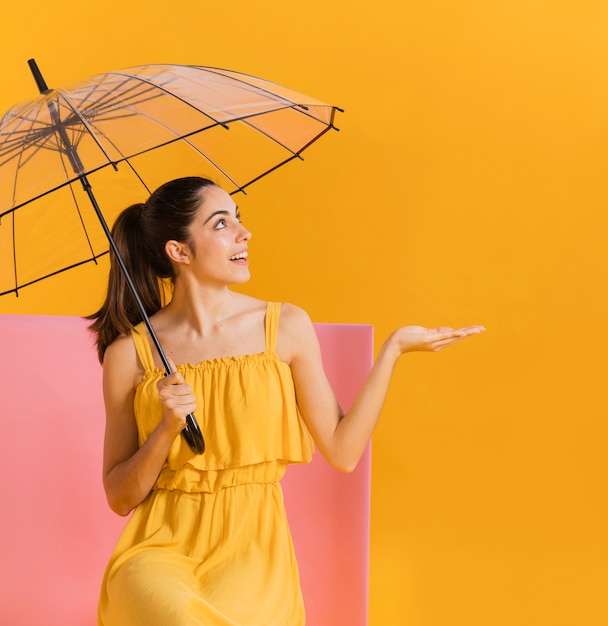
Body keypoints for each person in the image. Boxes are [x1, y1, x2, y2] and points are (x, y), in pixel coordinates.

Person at [89, 176, 485, 626]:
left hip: (253, 551)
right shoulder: (130, 355)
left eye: (239, 219)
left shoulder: (285, 326)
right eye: (221, 224)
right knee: (176, 615)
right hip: (159, 549)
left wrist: (392, 351)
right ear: (180, 252)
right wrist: (166, 429)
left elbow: (343, 451)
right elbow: (120, 497)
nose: (244, 233)